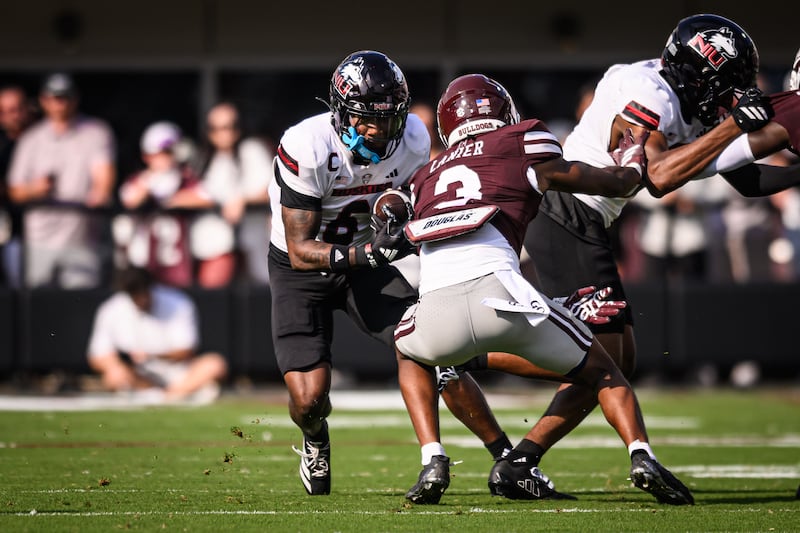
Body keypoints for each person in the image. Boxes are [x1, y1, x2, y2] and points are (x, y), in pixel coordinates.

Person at [433, 15, 773, 497]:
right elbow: (656, 177)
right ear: (699, 74)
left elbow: (745, 177)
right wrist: (736, 125)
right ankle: (473, 369)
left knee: (620, 358)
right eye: (726, 86)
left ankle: (514, 450)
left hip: (586, 222)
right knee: (603, 359)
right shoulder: (647, 92)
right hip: (567, 216)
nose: (731, 99)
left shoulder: (686, 97)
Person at [394, 73, 694, 506]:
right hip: (504, 296)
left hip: (437, 308)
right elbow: (613, 185)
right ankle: (641, 455)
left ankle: (433, 457)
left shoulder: (425, 175)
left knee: (409, 351)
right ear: (502, 110)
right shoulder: (522, 139)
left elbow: (400, 233)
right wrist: (630, 161)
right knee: (606, 369)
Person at [267, 50, 510, 497]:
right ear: (340, 111)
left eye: (387, 118)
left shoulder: (414, 138)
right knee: (308, 400)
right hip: (304, 267)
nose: (378, 130)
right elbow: (302, 251)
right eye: (365, 119)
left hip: (371, 258)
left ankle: (506, 456)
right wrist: (367, 253)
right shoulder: (308, 145)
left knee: (433, 352)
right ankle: (315, 437)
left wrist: (398, 217)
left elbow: (415, 204)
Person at [7, 72, 116, 288]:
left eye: (64, 97)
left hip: (81, 240)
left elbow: (103, 178)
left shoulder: (95, 132)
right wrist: (34, 189)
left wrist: (100, 193)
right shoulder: (31, 139)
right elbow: (15, 191)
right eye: (54, 97)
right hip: (39, 241)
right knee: (38, 307)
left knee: (79, 305)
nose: (60, 103)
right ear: (43, 101)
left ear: (75, 99)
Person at [87, 266, 228, 404]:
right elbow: (97, 356)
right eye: (135, 296)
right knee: (114, 375)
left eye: (144, 293)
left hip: (180, 375)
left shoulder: (178, 302)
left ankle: (167, 396)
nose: (141, 300)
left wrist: (151, 355)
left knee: (215, 364)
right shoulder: (110, 309)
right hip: (140, 377)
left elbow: (186, 350)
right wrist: (115, 363)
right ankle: (174, 396)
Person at [114, 121, 213, 288]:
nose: (167, 157)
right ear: (147, 156)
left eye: (170, 152)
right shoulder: (139, 181)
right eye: (162, 152)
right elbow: (129, 201)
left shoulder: (186, 179)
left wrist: (172, 199)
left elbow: (206, 198)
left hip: (176, 261)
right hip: (143, 260)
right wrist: (150, 184)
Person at [193, 101, 274, 286]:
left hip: (253, 243)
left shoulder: (252, 150)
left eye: (231, 126)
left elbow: (272, 188)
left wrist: (243, 200)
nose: (225, 133)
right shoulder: (203, 159)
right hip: (212, 243)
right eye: (217, 128)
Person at [0, 85, 34, 287]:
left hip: (41, 234)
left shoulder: (42, 138)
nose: (13, 116)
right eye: (5, 111)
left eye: (17, 109)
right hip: (8, 230)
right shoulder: (2, 145)